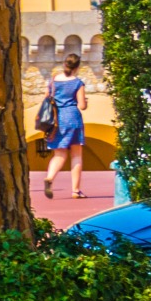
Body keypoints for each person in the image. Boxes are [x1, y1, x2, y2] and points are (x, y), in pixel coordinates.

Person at [41, 52, 92, 201]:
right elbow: (82, 105)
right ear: (77, 67)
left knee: (59, 154)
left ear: (65, 64)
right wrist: (86, 102)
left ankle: (49, 177)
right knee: (76, 155)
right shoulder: (77, 83)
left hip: (57, 120)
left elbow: (46, 98)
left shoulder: (53, 81)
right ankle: (76, 190)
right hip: (72, 118)